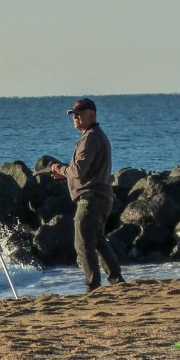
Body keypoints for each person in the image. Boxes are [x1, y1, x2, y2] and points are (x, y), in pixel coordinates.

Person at [49, 98, 124, 292]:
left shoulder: (90, 137)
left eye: (80, 114)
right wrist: (66, 174)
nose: (75, 118)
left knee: (82, 243)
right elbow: (84, 171)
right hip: (101, 196)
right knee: (97, 240)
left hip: (91, 198)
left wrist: (60, 168)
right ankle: (117, 280)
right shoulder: (94, 136)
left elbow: (79, 170)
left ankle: (93, 286)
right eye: (74, 114)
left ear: (92, 115)